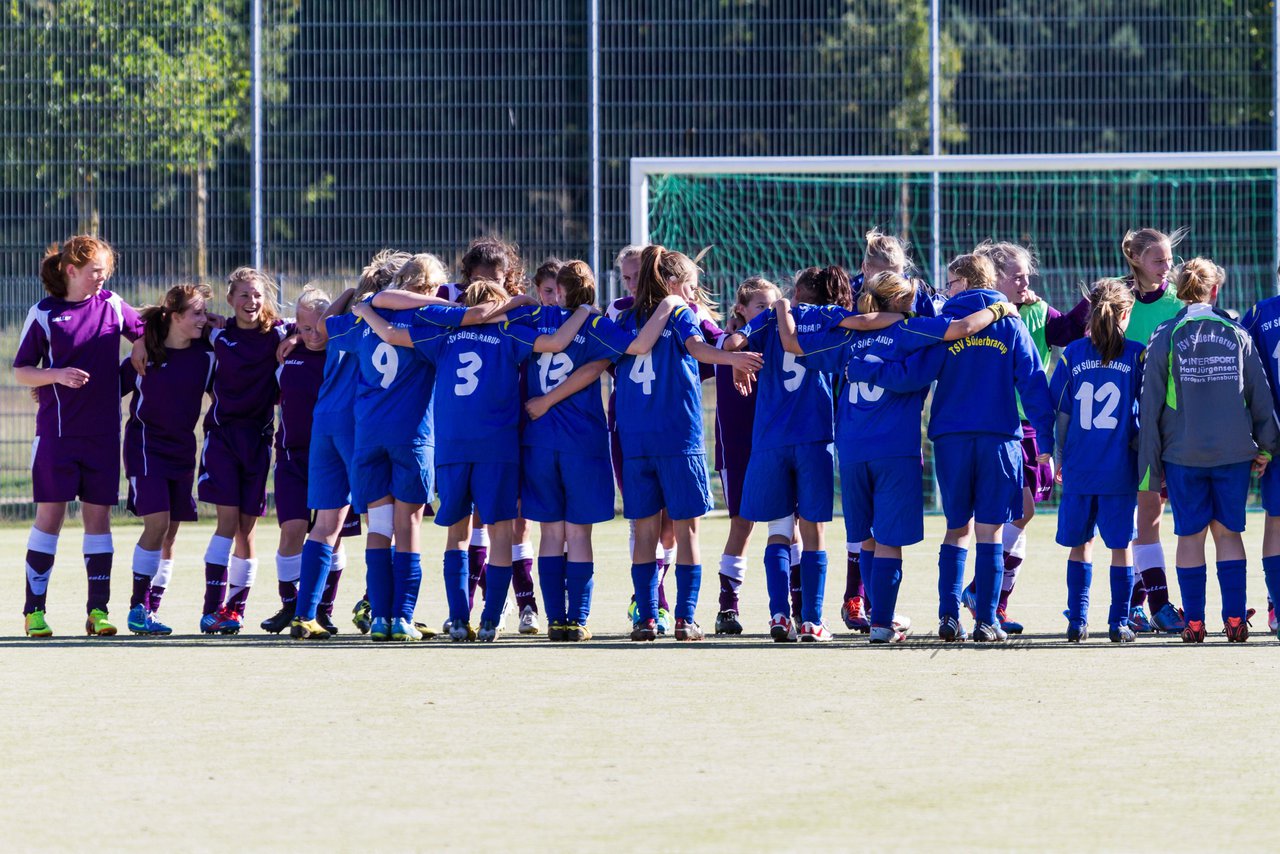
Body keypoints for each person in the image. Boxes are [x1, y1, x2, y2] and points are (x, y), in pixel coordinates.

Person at [781, 264, 1017, 642]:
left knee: (866, 538)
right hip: (895, 449)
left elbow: (793, 345)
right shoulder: (910, 328)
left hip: (852, 449)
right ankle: (880, 624)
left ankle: (880, 617)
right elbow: (960, 330)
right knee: (889, 539)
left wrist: (781, 307)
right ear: (900, 300)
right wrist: (999, 309)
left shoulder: (847, 335)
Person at [358, 280, 590, 641]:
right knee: (499, 533)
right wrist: (583, 312)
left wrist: (365, 310)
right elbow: (558, 343)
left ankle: (458, 619)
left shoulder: (443, 336)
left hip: (452, 449)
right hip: (496, 449)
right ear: (501, 306)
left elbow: (388, 333)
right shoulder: (510, 334)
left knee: (458, 534)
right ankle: (490, 621)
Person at [846, 253, 1056, 642]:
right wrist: (1045, 438)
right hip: (999, 438)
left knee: (956, 529)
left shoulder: (944, 327)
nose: (945, 288)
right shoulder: (1009, 323)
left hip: (951, 438)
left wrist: (864, 368)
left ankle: (948, 616)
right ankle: (987, 620)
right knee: (991, 532)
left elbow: (912, 375)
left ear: (963, 281)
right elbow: (1033, 382)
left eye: (950, 282)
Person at [724, 266, 901, 641]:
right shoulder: (830, 318)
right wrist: (902, 314)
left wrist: (739, 364)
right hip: (814, 437)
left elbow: (732, 344)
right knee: (814, 532)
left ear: (797, 292)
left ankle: (778, 616)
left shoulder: (772, 317)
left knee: (777, 531)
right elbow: (869, 321)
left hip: (770, 440)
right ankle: (812, 621)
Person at [519, 261, 681, 640]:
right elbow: (639, 346)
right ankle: (578, 619)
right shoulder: (595, 325)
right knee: (579, 536)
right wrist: (670, 304)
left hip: (538, 440)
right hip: (582, 443)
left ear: (558, 291)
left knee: (550, 534)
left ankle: (556, 620)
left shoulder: (531, 320)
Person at [615, 245, 762, 642]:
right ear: (672, 283)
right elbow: (697, 349)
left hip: (635, 438)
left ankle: (646, 618)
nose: (696, 296)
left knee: (644, 532)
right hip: (678, 437)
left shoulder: (623, 316)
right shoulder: (680, 312)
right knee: (687, 532)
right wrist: (733, 359)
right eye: (691, 286)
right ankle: (684, 618)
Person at [1137, 258, 1278, 643]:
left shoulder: (1165, 334)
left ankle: (1194, 623)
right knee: (1229, 534)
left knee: (1190, 536)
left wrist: (1150, 466)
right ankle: (1235, 621)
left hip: (1182, 455)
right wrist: (1267, 446)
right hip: (1234, 454)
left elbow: (1149, 408)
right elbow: (1259, 395)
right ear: (1215, 290)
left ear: (1181, 290)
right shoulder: (1236, 333)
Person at [13, 236, 143, 637]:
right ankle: (34, 612)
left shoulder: (113, 305)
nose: (102, 279)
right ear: (72, 271)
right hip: (58, 435)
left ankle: (97, 612)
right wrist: (55, 375)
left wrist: (138, 350)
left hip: (103, 435)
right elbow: (22, 370)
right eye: (96, 272)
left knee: (98, 520)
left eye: (105, 272)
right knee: (49, 519)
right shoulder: (44, 314)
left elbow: (145, 334)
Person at [186, 267, 292, 635]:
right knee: (227, 524)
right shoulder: (216, 335)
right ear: (230, 300)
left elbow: (319, 322)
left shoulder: (280, 332)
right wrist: (138, 343)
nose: (251, 302)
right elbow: (163, 325)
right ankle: (210, 608)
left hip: (259, 441)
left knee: (248, 531)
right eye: (244, 295)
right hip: (223, 439)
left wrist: (294, 340)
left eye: (257, 295)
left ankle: (234, 610)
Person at [1047, 280, 1145, 642]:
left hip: (1080, 467)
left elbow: (1062, 412)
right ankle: (1119, 623)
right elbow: (1146, 415)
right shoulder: (1136, 354)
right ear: (1124, 314)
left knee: (1080, 545)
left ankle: (1078, 621)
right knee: (1120, 547)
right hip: (1120, 469)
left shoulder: (1072, 353)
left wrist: (1059, 456)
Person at [120, 284, 215, 636]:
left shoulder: (207, 355)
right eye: (197, 313)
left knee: (170, 534)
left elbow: (227, 392)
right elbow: (104, 391)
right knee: (156, 524)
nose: (203, 320)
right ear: (175, 317)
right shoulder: (146, 356)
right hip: (145, 444)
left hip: (182, 449)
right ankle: (137, 607)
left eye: (205, 313)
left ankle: (152, 609)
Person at [259, 286, 334, 635]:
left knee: (330, 535)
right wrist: (293, 333)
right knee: (291, 531)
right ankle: (290, 605)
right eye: (303, 328)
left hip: (332, 458)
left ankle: (322, 608)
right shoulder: (289, 353)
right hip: (291, 456)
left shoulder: (342, 352)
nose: (311, 334)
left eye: (318, 326)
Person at [710, 276, 780, 634]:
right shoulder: (723, 346)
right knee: (742, 524)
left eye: (773, 306)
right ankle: (728, 607)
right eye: (761, 307)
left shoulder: (780, 344)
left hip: (775, 447)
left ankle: (788, 607)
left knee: (786, 525)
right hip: (736, 450)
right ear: (740, 309)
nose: (768, 313)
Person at [1242, 273, 1280, 638]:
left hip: (1273, 437)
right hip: (1273, 442)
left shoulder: (1257, 315)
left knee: (1276, 521)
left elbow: (1244, 382)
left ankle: (1277, 607)